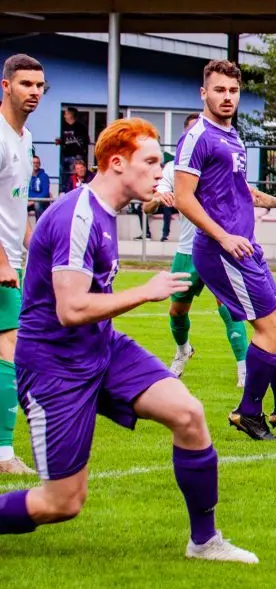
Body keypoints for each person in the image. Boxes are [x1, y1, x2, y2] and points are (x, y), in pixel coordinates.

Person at [0, 118, 257, 563]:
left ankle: (204, 541)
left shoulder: (105, 210)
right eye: (153, 162)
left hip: (102, 348)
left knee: (189, 414)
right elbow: (71, 309)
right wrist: (147, 291)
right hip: (53, 368)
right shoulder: (76, 215)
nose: (162, 172)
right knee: (62, 503)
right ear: (117, 163)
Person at [173, 60, 276, 442]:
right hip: (221, 251)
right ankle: (249, 412)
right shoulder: (198, 137)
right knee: (270, 326)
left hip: (246, 247)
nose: (227, 97)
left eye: (233, 91)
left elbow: (244, 193)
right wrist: (223, 237)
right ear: (203, 93)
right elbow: (183, 198)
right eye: (219, 90)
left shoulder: (233, 137)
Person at [141, 113, 250, 385]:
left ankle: (244, 367)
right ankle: (182, 351)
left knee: (228, 308)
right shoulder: (172, 169)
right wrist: (158, 199)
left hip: (217, 246)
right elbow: (147, 205)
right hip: (187, 251)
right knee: (177, 311)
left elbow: (245, 194)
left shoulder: (221, 163)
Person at [0, 55, 42, 474]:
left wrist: (35, 245)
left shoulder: (25, 138)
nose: (34, 91)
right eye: (26, 83)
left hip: (13, 260)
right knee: (10, 349)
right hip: (1, 265)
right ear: (6, 86)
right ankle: (3, 455)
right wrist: (3, 262)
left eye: (40, 85)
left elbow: (15, 205)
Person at [54, 106, 88, 186]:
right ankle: (65, 190)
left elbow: (85, 140)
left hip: (76, 156)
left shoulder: (80, 127)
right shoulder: (64, 127)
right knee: (64, 174)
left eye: (66, 114)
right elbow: (63, 140)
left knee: (75, 174)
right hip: (65, 155)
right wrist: (60, 141)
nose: (64, 116)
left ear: (70, 115)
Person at [27, 154, 49, 219]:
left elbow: (45, 193)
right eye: (34, 163)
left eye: (37, 163)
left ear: (40, 164)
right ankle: (23, 228)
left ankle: (39, 227)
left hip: (40, 201)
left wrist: (33, 201)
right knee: (19, 206)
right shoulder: (26, 176)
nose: (35, 164)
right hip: (28, 201)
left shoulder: (44, 176)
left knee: (37, 205)